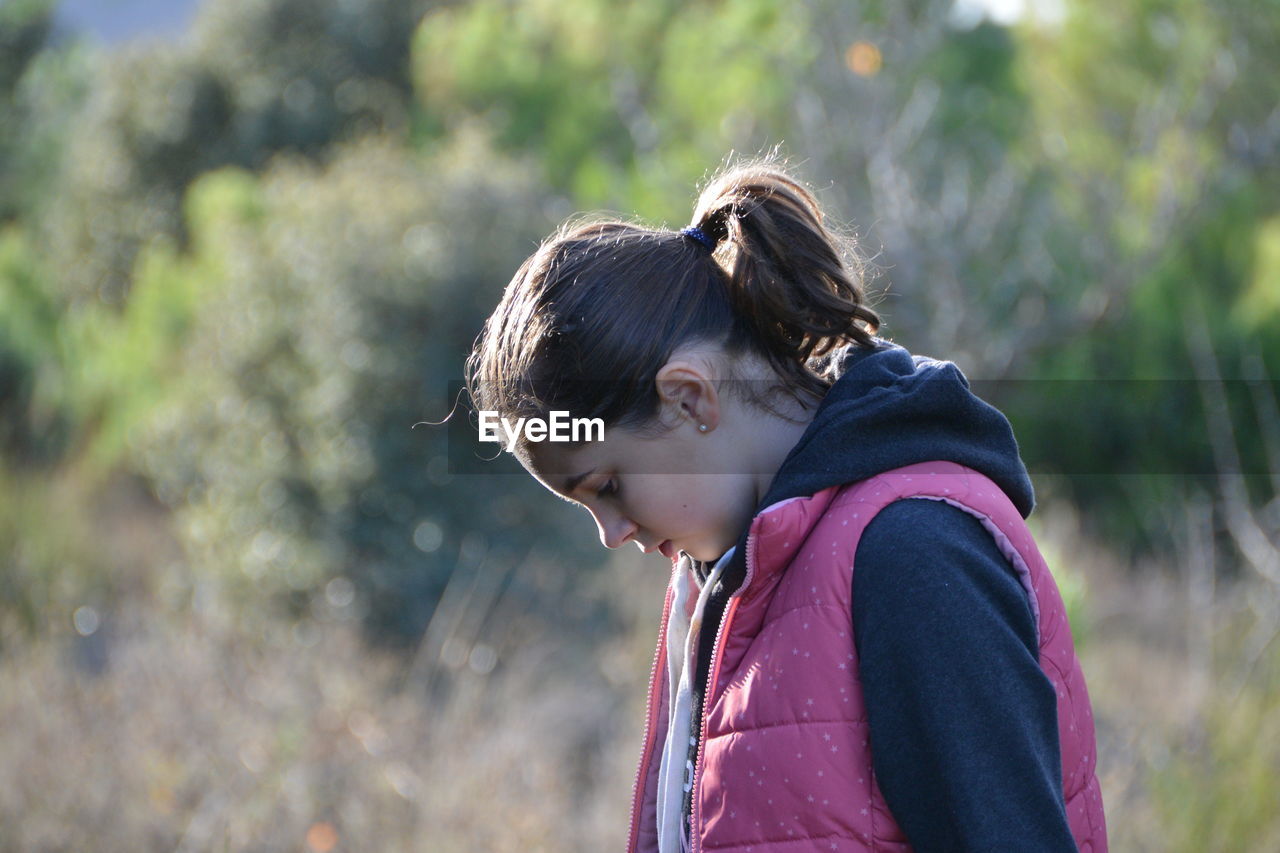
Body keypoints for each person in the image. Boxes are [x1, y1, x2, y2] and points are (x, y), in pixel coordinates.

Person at [464, 158, 1107, 852]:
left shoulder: (913, 551)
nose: (611, 533)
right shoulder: (733, 575)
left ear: (689, 397)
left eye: (608, 486)